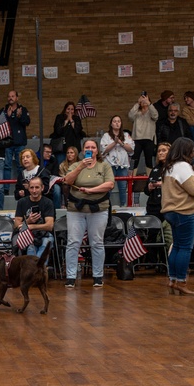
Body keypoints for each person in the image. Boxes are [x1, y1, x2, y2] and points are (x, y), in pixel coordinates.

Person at [161, 138, 194, 295]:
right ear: (185, 151)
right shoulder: (183, 166)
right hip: (183, 212)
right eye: (191, 150)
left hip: (171, 212)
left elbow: (187, 184)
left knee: (176, 246)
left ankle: (172, 280)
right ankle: (181, 281)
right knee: (185, 248)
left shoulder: (169, 167)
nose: (193, 153)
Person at [63, 139, 114, 288]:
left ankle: (98, 276)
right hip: (76, 210)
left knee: (97, 242)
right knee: (73, 242)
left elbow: (110, 184)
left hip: (98, 209)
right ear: (83, 150)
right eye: (87, 147)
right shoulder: (74, 165)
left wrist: (91, 191)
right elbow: (67, 181)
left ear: (97, 151)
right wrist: (80, 166)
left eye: (93, 147)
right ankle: (71, 277)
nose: (90, 149)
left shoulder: (104, 166)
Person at [14, 176, 55, 258]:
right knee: (31, 248)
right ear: (28, 189)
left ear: (42, 188)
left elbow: (50, 226)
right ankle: (37, 269)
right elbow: (16, 225)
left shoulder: (48, 202)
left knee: (45, 244)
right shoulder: (22, 202)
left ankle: (35, 269)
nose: (34, 191)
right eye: (32, 188)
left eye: (37, 187)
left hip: (45, 235)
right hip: (28, 235)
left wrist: (31, 226)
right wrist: (28, 221)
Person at [100, 115, 135, 207]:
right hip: (110, 165)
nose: (117, 123)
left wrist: (120, 142)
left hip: (122, 165)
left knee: (123, 187)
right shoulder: (106, 136)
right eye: (114, 121)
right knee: (109, 186)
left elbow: (131, 149)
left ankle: (123, 206)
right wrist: (114, 143)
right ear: (111, 124)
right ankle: (107, 206)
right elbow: (103, 150)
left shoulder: (126, 135)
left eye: (119, 121)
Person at [0, 90, 30, 181]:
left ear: (17, 98)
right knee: (7, 166)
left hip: (19, 142)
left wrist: (20, 116)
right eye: (9, 96)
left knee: (21, 166)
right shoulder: (4, 110)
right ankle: (6, 190)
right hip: (7, 142)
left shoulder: (23, 109)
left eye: (13, 96)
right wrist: (7, 117)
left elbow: (27, 122)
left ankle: (21, 186)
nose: (10, 98)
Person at [128, 92, 158, 173]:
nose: (143, 101)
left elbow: (155, 116)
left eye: (145, 99)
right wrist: (138, 103)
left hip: (149, 139)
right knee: (134, 159)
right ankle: (131, 179)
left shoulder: (151, 111)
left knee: (149, 160)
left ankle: (150, 179)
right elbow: (130, 116)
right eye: (142, 99)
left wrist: (149, 104)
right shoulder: (136, 112)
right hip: (137, 139)